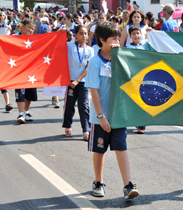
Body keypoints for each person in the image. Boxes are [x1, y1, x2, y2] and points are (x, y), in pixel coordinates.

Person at [85, 21, 139, 199]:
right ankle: (98, 182)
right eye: (113, 39)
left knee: (121, 148)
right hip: (100, 117)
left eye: (118, 38)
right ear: (102, 40)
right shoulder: (95, 61)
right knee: (99, 150)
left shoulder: (121, 58)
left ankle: (127, 185)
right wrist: (101, 116)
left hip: (118, 115)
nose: (117, 41)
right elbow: (94, 91)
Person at [62, 25, 93, 140]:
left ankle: (86, 130)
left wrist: (77, 80)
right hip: (70, 82)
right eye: (81, 33)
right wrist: (61, 32)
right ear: (75, 34)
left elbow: (88, 68)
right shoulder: (69, 46)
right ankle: (67, 127)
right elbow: (56, 44)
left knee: (84, 106)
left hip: (83, 82)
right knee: (69, 105)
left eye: (85, 33)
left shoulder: (90, 50)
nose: (84, 36)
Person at [15, 19, 38, 124]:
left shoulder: (35, 39)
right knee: (20, 91)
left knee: (29, 92)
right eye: (29, 27)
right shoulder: (15, 37)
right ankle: (20, 113)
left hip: (31, 70)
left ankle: (27, 112)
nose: (31, 30)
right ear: (22, 26)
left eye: (33, 28)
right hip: (19, 69)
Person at [126, 25, 148, 134]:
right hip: (133, 79)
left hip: (144, 78)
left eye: (138, 33)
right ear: (130, 36)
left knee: (143, 100)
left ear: (141, 34)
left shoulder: (146, 47)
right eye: (133, 34)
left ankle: (142, 125)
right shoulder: (127, 49)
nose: (136, 35)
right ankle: (136, 120)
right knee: (134, 101)